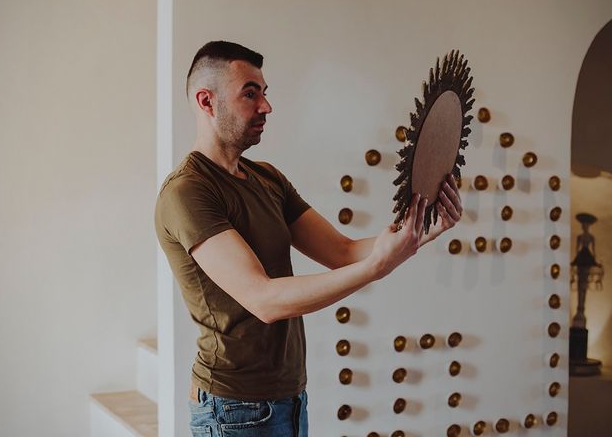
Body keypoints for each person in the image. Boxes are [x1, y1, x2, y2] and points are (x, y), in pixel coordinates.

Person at [154, 41, 463, 437]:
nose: (266, 107)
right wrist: (375, 269)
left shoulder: (267, 177)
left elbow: (342, 251)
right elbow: (263, 298)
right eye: (250, 93)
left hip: (290, 397)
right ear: (206, 101)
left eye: (265, 93)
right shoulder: (188, 192)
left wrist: (423, 228)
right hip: (233, 409)